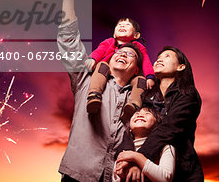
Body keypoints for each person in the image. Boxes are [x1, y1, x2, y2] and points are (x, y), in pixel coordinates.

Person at [55, 0, 145, 182]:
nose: (123, 54)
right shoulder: (86, 82)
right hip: (77, 175)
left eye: (131, 54)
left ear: (136, 70)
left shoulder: (141, 100)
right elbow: (68, 40)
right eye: (119, 52)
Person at [116, 46, 204, 182]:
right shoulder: (147, 96)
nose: (159, 60)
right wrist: (128, 156)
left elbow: (170, 127)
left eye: (167, 56)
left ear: (181, 67)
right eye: (158, 58)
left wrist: (138, 159)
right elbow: (129, 127)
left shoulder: (188, 94)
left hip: (183, 172)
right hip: (151, 168)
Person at [85, 17, 155, 122]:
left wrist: (150, 76)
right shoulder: (109, 42)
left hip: (130, 76)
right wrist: (92, 59)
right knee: (102, 65)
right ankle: (94, 95)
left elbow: (146, 61)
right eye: (119, 25)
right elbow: (99, 51)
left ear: (136, 35)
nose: (122, 26)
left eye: (127, 25)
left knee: (140, 80)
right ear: (114, 34)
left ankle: (134, 105)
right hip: (108, 71)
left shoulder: (138, 47)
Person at [113, 107, 176, 182]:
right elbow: (115, 178)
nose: (140, 115)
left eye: (147, 113)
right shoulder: (122, 149)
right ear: (129, 127)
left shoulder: (165, 147)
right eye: (136, 113)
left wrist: (136, 157)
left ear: (157, 124)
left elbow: (166, 178)